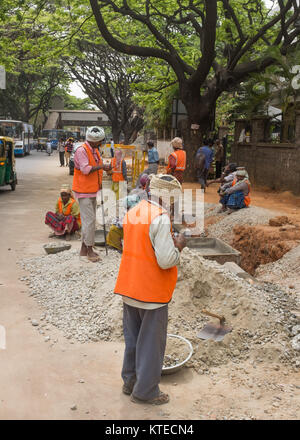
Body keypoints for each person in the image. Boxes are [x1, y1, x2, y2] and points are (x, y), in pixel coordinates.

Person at [114, 174, 186, 405]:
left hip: (130, 286)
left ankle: (130, 381)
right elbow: (165, 260)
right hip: (152, 292)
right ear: (168, 197)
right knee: (151, 344)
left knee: (133, 339)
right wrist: (179, 248)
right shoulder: (160, 218)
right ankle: (145, 392)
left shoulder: (134, 211)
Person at [72, 126, 110, 262]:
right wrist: (102, 167)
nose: (101, 143)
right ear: (94, 141)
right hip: (83, 191)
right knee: (89, 221)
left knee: (90, 220)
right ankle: (89, 250)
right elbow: (86, 169)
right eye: (100, 141)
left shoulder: (94, 150)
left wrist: (104, 168)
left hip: (92, 190)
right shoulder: (82, 150)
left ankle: (84, 248)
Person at [106, 174, 151, 252]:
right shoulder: (138, 194)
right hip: (133, 223)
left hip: (141, 227)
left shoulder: (148, 196)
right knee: (115, 229)